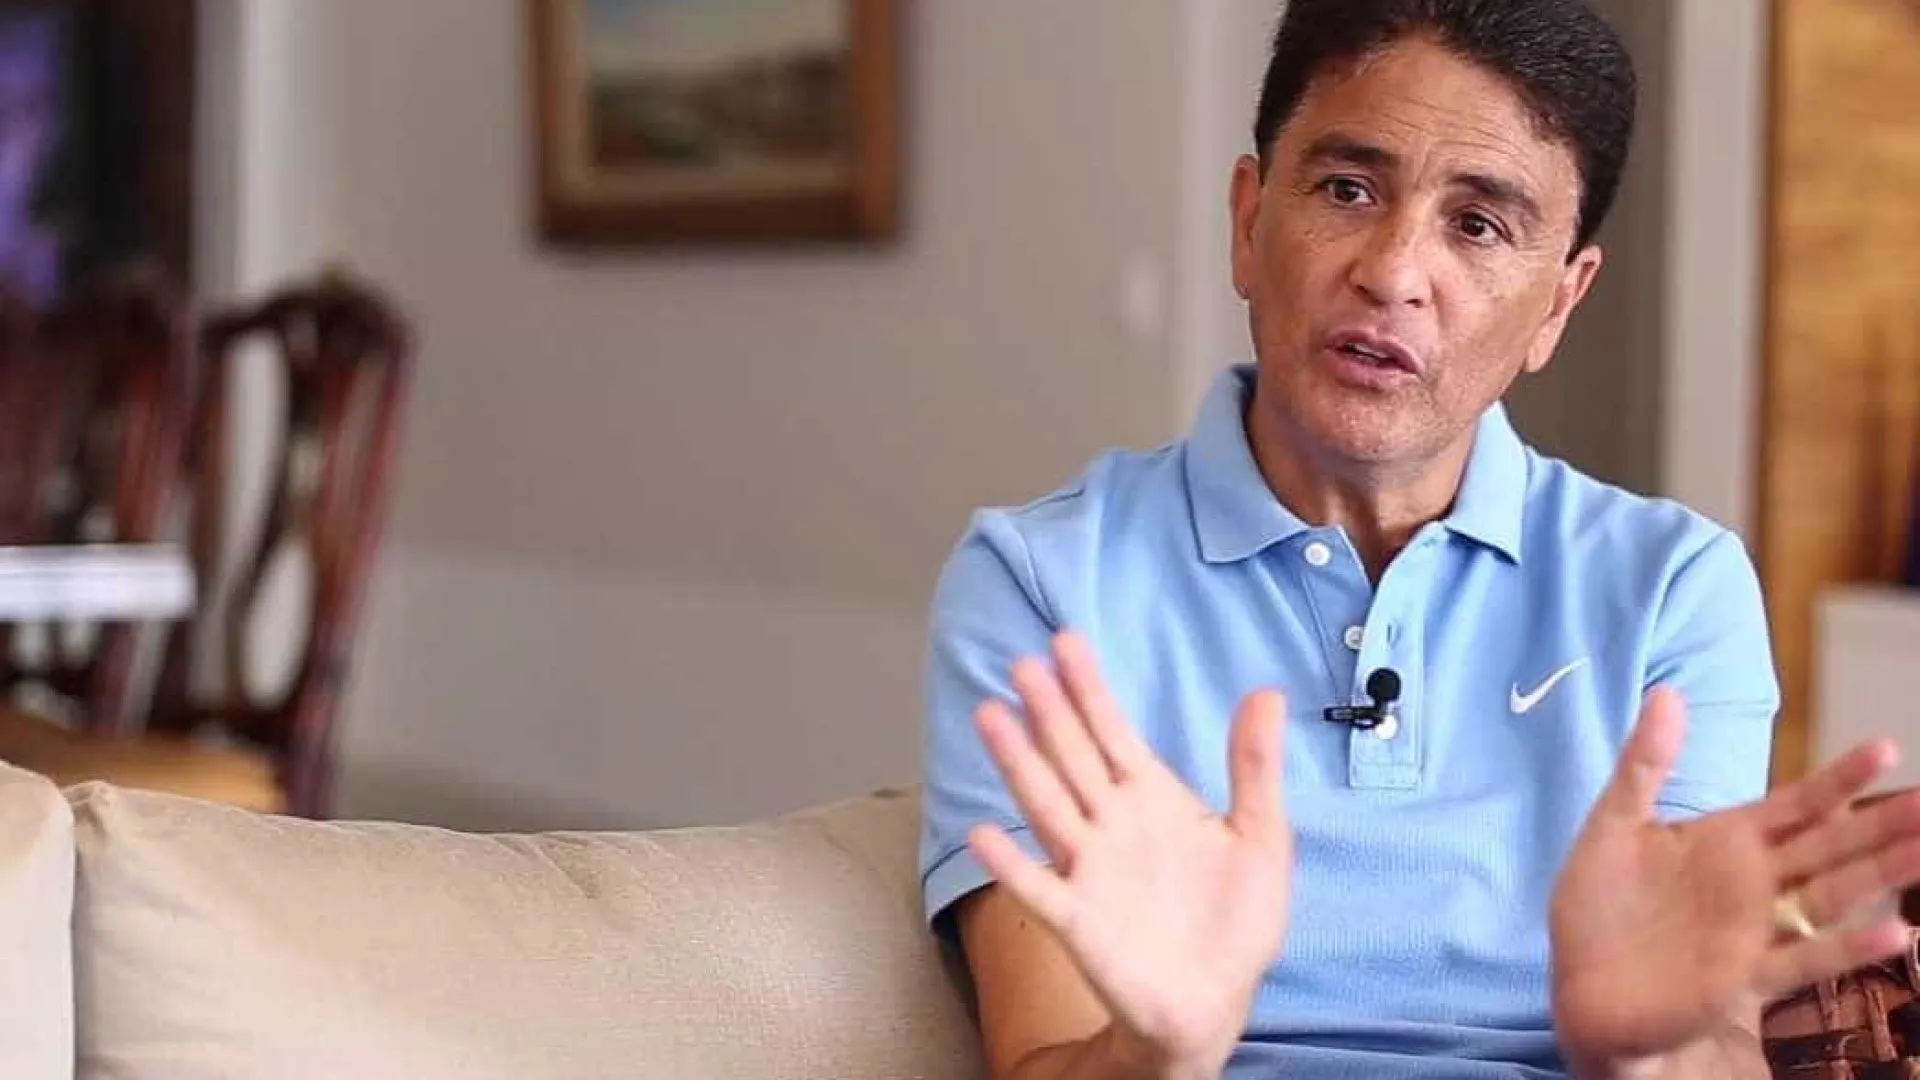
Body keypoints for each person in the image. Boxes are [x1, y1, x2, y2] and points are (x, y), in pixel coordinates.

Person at [917, 1, 1920, 1078]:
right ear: (1248, 222)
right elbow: (1043, 1059)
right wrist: (1157, 1048)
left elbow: (1711, 1053)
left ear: (1559, 304)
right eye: (1347, 190)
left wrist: (1639, 1053)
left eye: (1478, 225)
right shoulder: (1042, 581)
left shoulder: (1675, 587)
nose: (1393, 272)